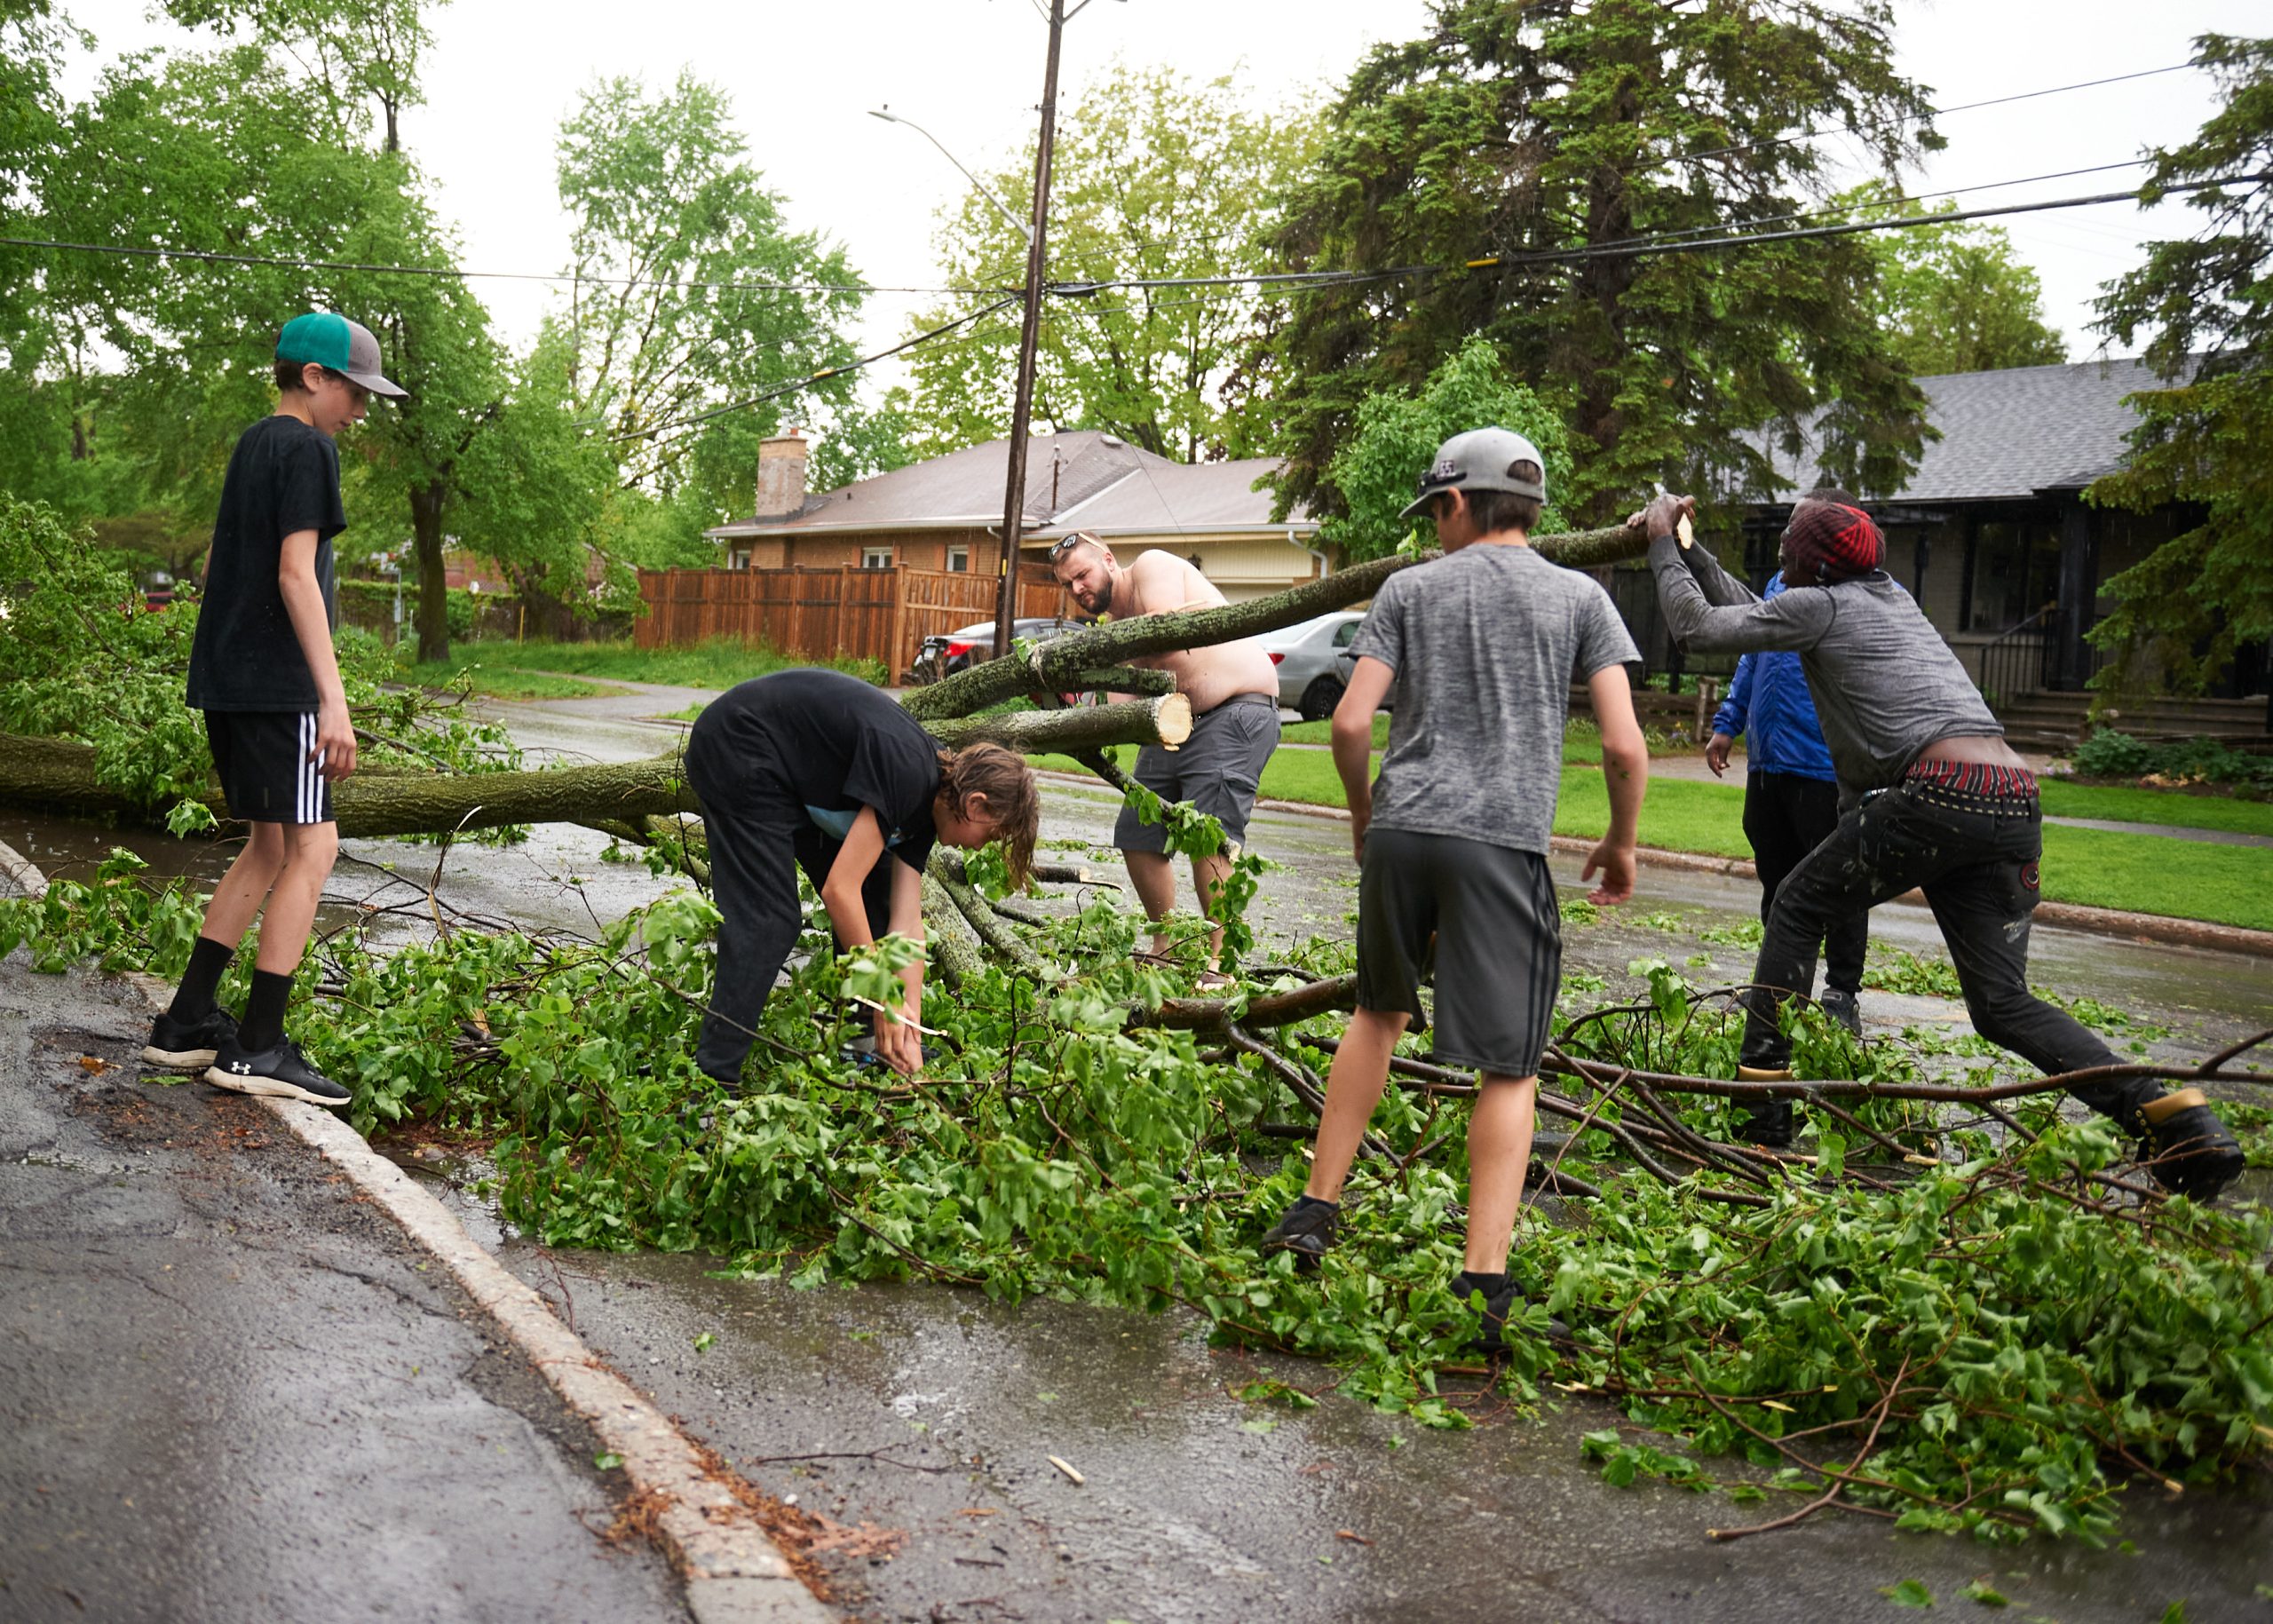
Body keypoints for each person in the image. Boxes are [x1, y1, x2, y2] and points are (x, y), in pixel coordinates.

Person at [1643, 488, 2242, 1197]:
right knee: (2000, 1004)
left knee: (1799, 902)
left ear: (1810, 565)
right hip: (2014, 799)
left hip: (1940, 791)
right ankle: (2176, 1119)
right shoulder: (1889, 597)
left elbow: (1698, 628)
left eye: (1785, 557)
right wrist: (1688, 545)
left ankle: (1763, 1108)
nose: (1780, 569)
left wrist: (1656, 541)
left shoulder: (1823, 604)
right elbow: (1750, 606)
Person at [1259, 428, 1650, 1346]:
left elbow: (1351, 723)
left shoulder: (1408, 590)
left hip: (1403, 831)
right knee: (1508, 1063)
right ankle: (1483, 1282)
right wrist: (1621, 843)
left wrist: (1365, 816)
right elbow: (1626, 747)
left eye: (1435, 510)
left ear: (1461, 502)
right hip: (1500, 843)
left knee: (1377, 1013)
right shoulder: (1580, 598)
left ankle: (1312, 1213)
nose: (1433, 527)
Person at [140, 313, 407, 1107]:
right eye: (356, 394)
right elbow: (297, 575)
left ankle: (187, 1021)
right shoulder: (308, 448)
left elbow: (224, 558)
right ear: (316, 378)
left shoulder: (254, 443)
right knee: (314, 851)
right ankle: (258, 1046)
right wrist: (334, 700)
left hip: (227, 678)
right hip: (277, 685)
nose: (359, 413)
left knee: (267, 849)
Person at [685, 668, 1041, 1088]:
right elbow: (840, 890)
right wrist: (882, 997)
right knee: (768, 920)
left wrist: (907, 1021)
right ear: (976, 804)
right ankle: (713, 1077)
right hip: (738, 745)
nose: (982, 847)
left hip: (788, 775)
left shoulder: (930, 804)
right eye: (992, 835)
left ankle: (868, 1044)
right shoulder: (910, 774)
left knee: (879, 894)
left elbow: (906, 929)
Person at [1048, 531, 1281, 987]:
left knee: (1207, 836)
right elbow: (1123, 709)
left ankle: (1223, 963)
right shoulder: (1114, 631)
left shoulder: (1153, 566)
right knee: (1138, 831)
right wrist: (1077, 719)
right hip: (1175, 721)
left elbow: (1168, 636)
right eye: (1067, 584)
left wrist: (1104, 653)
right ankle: (1167, 947)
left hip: (1237, 708)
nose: (1077, 589)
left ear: (1109, 561)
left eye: (1082, 575)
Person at [1704, 568, 1867, 1034]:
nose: (1785, 542)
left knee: (1839, 882)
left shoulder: (1852, 589)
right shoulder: (1778, 584)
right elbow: (1752, 658)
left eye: (1796, 530)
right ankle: (1778, 988)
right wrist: (1727, 723)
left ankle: (1841, 994)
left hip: (1823, 764)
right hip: (1768, 763)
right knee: (1776, 878)